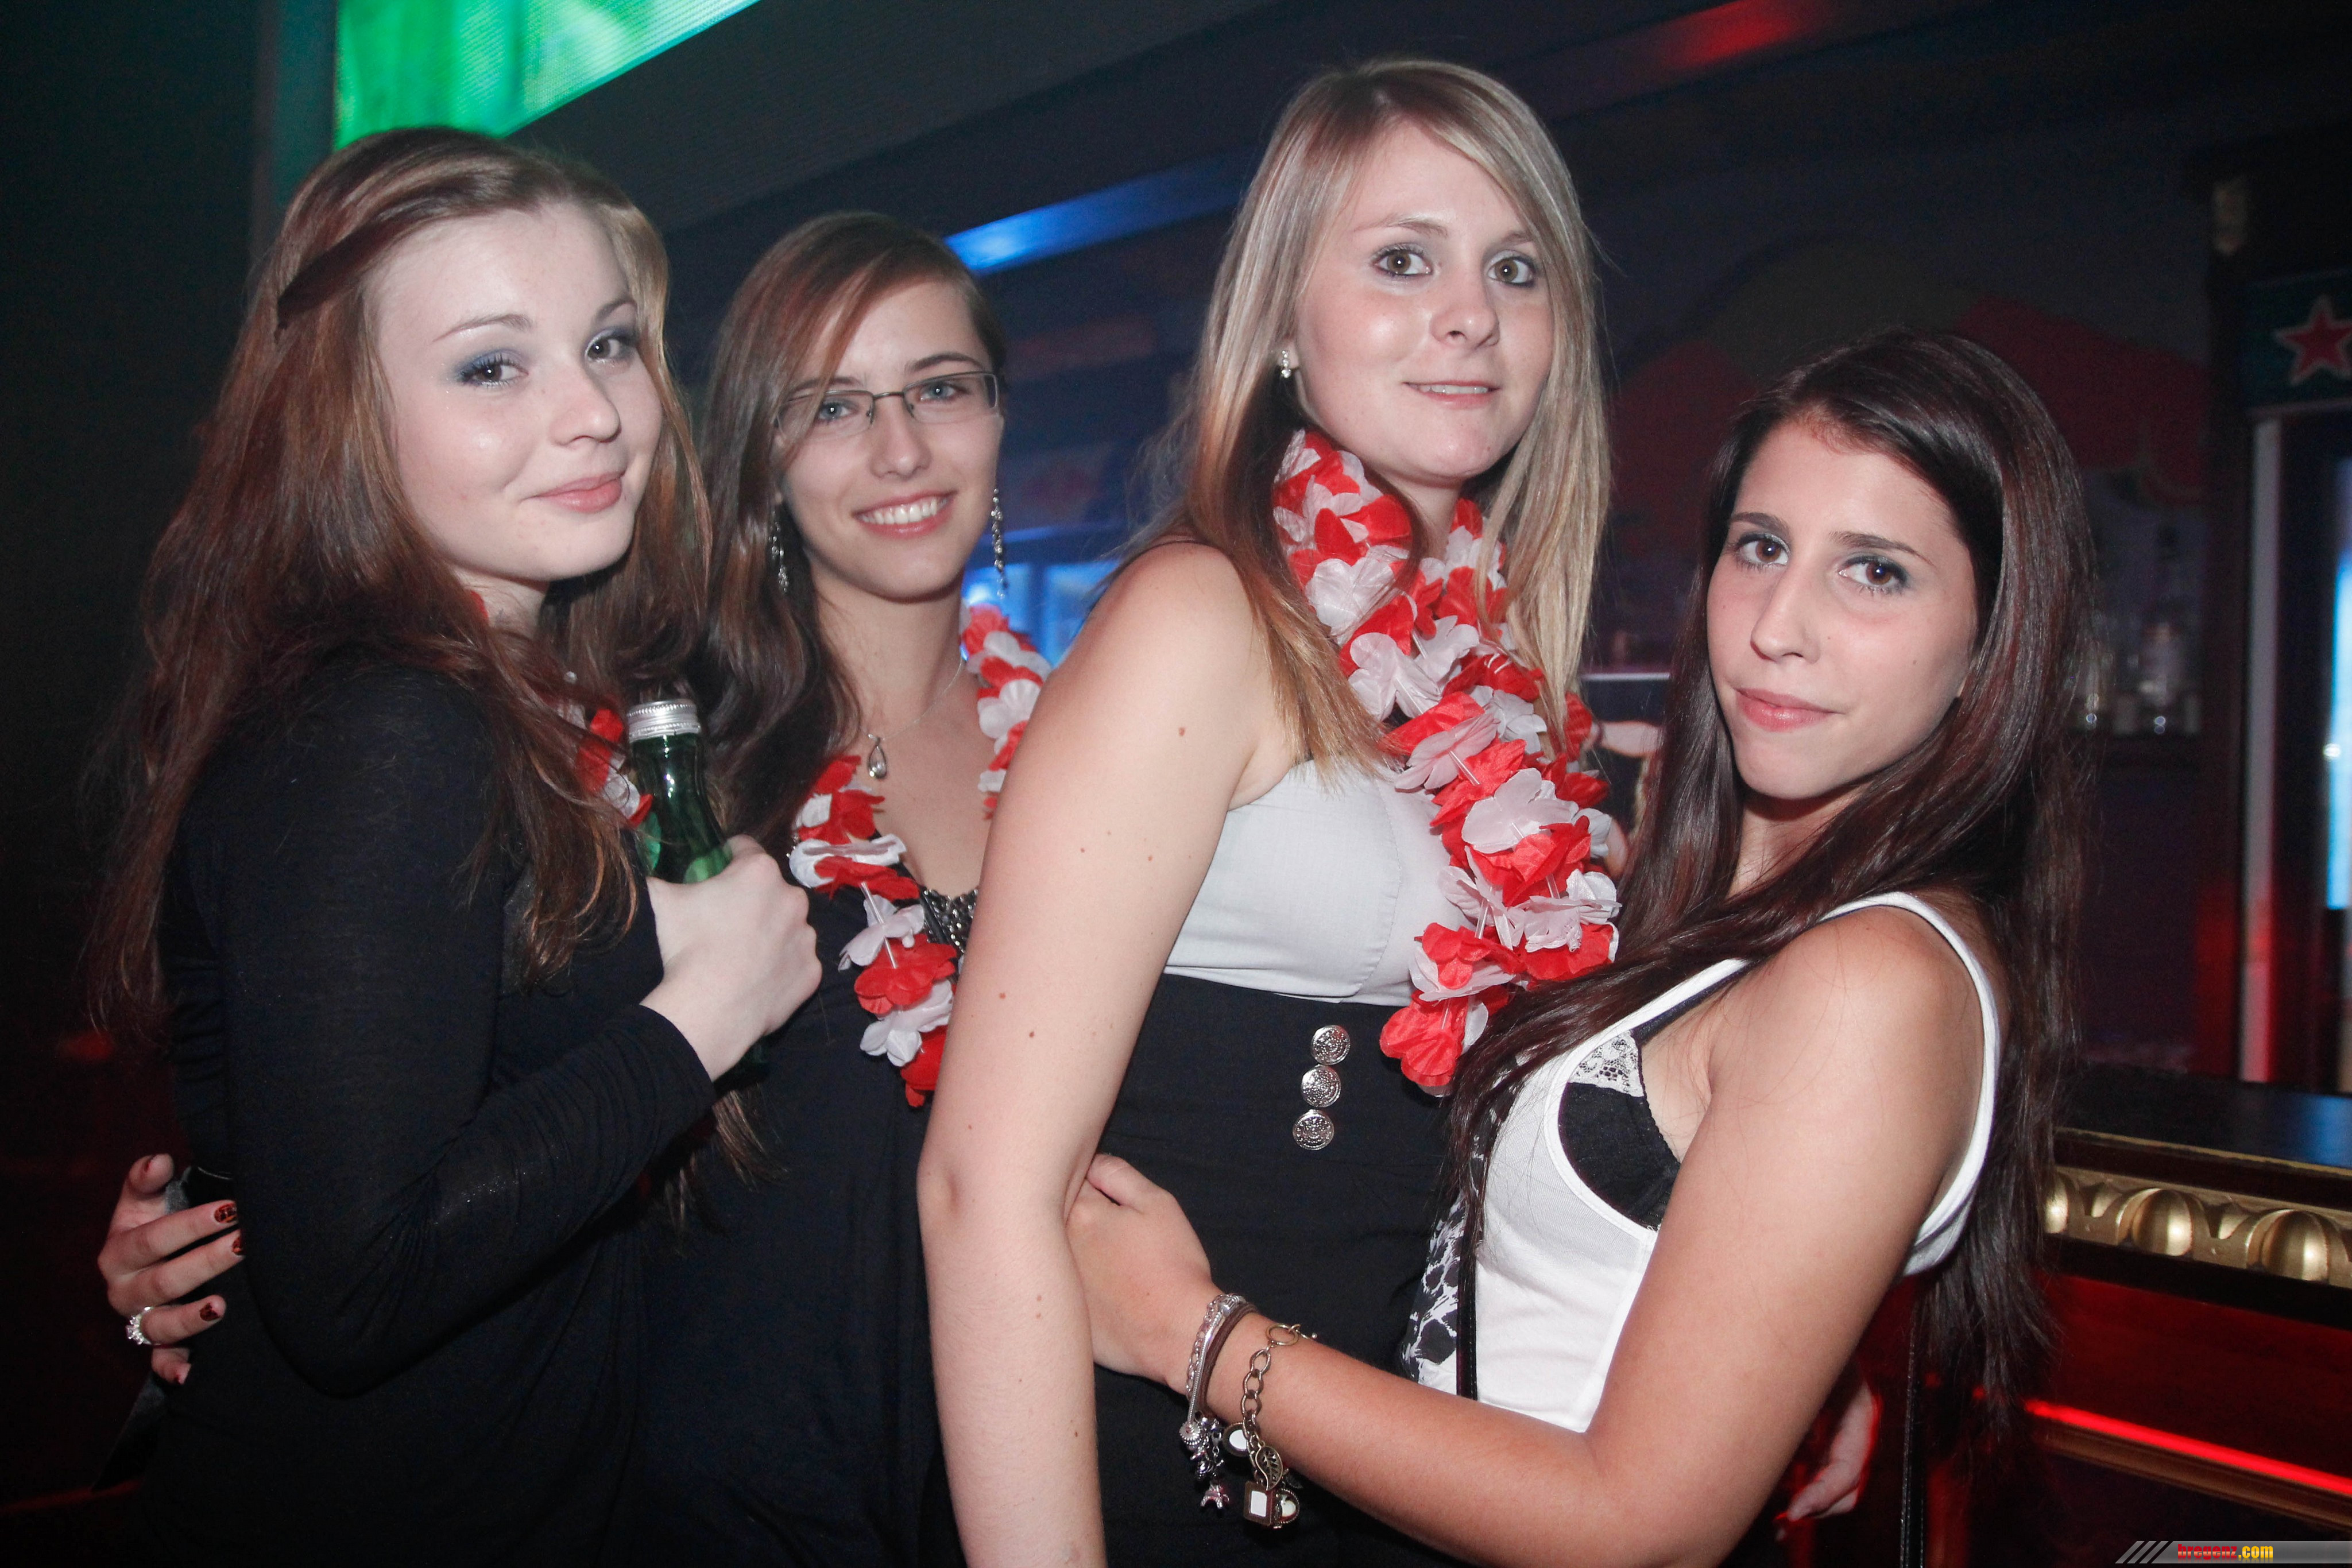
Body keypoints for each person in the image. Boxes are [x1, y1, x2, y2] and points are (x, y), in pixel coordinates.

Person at [1065, 328, 2092, 1566]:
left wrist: (1191, 1332)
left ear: (1990, 640)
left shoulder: (1871, 981)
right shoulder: (1737, 905)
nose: (1779, 625)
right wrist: (1783, 1362)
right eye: (1761, 547)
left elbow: (1638, 1529)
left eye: (1875, 572)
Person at [920, 59, 1621, 1566]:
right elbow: (985, 1187)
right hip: (1169, 1470)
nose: (1470, 313)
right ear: (1284, 324)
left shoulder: (1503, 674)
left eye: (1515, 268)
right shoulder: (1203, 616)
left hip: (1392, 1445)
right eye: (1402, 260)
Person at [83, 127, 818, 1563]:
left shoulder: (525, 696)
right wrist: (702, 1017)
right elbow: (360, 1286)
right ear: (342, 416)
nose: (591, 413)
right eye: (491, 366)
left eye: (607, 344)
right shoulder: (388, 720)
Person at [626, 211, 1039, 1562]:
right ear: (762, 460)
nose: (900, 450)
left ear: (996, 416)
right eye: (834, 407)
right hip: (740, 1502)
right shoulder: (677, 782)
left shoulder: (1090, 752)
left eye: (940, 388)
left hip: (1024, 1473)